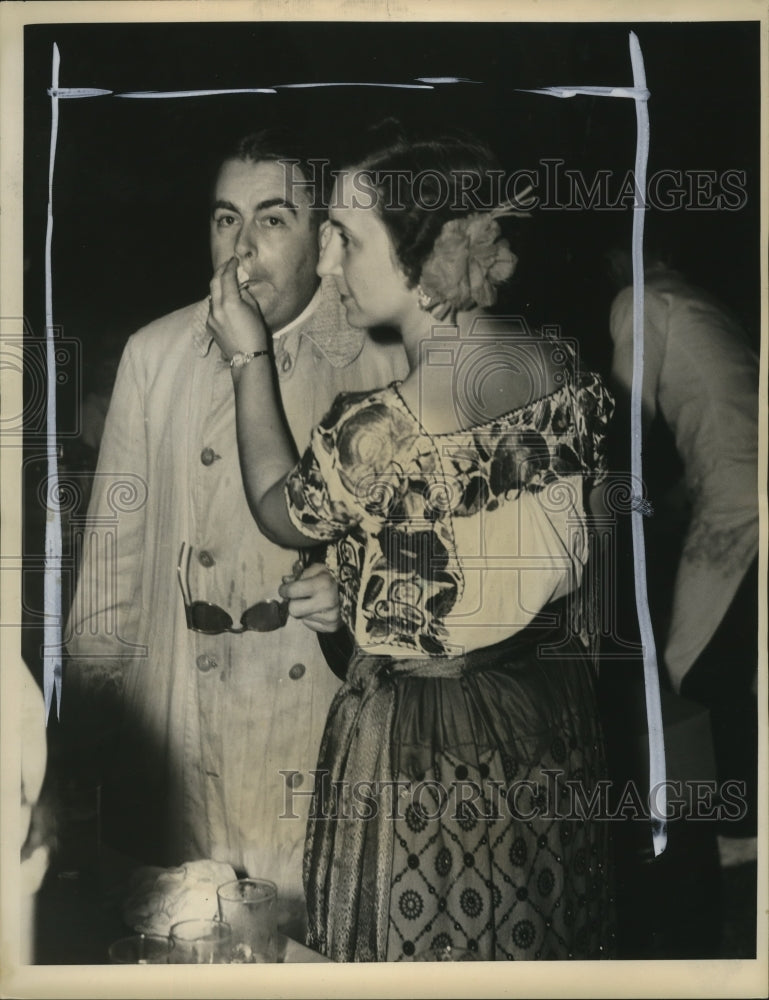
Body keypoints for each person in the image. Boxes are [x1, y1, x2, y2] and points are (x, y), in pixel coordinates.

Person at [208, 125, 616, 961]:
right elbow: (512, 549)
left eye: (348, 239)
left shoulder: (382, 425)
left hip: (424, 743)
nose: (326, 264)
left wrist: (250, 358)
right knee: (526, 934)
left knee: (410, 947)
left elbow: (280, 511)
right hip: (544, 716)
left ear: (427, 263)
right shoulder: (560, 363)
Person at [63, 127, 408, 939]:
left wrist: (350, 584)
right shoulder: (155, 353)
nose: (242, 246)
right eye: (225, 219)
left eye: (272, 218)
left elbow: (416, 570)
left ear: (325, 238)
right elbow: (113, 560)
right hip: (181, 730)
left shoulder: (376, 359)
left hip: (315, 730)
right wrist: (86, 736)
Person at [608, 255, 759, 861]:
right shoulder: (697, 299)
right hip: (744, 484)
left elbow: (628, 420)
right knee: (748, 669)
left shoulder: (639, 299)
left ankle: (736, 835)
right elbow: (726, 419)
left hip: (738, 499)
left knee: (685, 663)